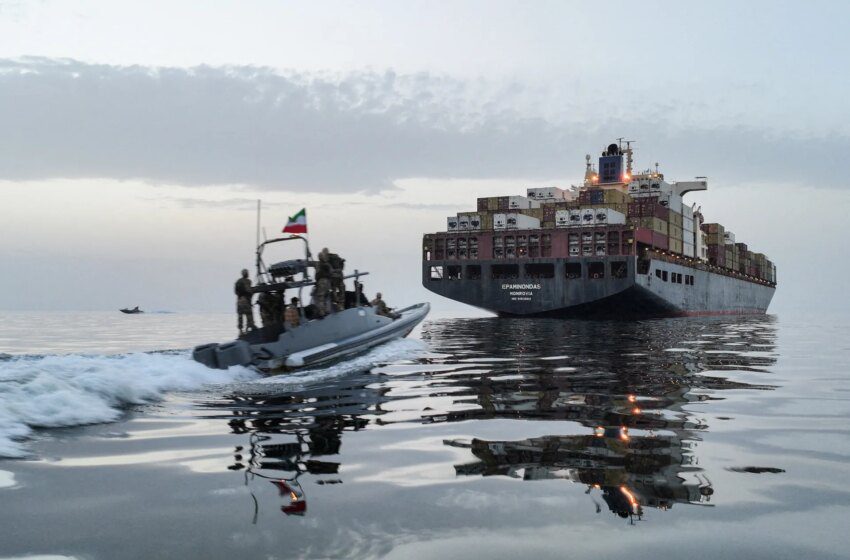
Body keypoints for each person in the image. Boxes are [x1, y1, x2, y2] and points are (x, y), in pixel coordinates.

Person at [234, 268, 255, 334]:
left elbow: (236, 291)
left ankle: (241, 330)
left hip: (240, 300)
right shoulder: (248, 281)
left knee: (240, 316)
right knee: (249, 314)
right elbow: (249, 291)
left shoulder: (238, 281)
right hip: (245, 300)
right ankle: (248, 328)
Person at [313, 249, 332, 317]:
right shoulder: (328, 264)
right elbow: (331, 272)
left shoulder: (318, 264)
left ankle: (322, 312)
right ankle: (328, 310)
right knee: (326, 296)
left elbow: (317, 274)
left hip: (321, 282)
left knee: (320, 297)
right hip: (328, 282)